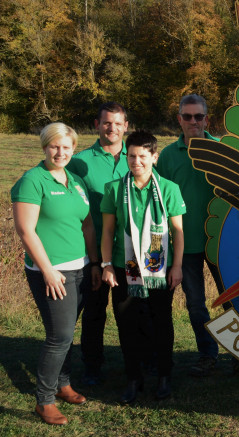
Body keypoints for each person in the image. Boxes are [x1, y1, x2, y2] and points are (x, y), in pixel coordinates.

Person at [156, 94, 239, 379]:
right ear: (179, 119)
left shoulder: (221, 150)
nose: (193, 121)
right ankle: (207, 355)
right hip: (184, 246)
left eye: (198, 116)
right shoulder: (167, 156)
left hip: (222, 244)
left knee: (233, 301)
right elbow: (160, 200)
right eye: (187, 116)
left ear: (207, 120)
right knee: (196, 304)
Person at [11, 123, 101, 425]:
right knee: (59, 335)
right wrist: (48, 270)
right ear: (44, 147)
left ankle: (63, 384)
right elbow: (26, 231)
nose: (60, 152)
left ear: (73, 148)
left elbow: (87, 224)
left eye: (66, 147)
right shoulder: (32, 181)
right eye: (54, 146)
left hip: (79, 267)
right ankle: (45, 400)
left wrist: (95, 262)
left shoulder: (75, 180)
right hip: (50, 271)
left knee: (67, 332)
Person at [100, 131, 185, 403]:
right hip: (124, 268)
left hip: (160, 271)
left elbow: (178, 232)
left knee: (162, 323)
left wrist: (178, 266)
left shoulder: (169, 188)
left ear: (154, 157)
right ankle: (133, 378)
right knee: (127, 325)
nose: (136, 161)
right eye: (131, 156)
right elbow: (107, 232)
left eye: (142, 156)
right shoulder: (114, 188)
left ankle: (164, 376)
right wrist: (106, 265)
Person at [67, 102, 130, 385]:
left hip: (130, 252)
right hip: (94, 252)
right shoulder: (79, 161)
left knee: (131, 311)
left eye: (118, 123)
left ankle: (140, 362)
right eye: (106, 123)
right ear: (97, 125)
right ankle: (92, 365)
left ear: (126, 126)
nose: (112, 128)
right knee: (94, 311)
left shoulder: (139, 157)